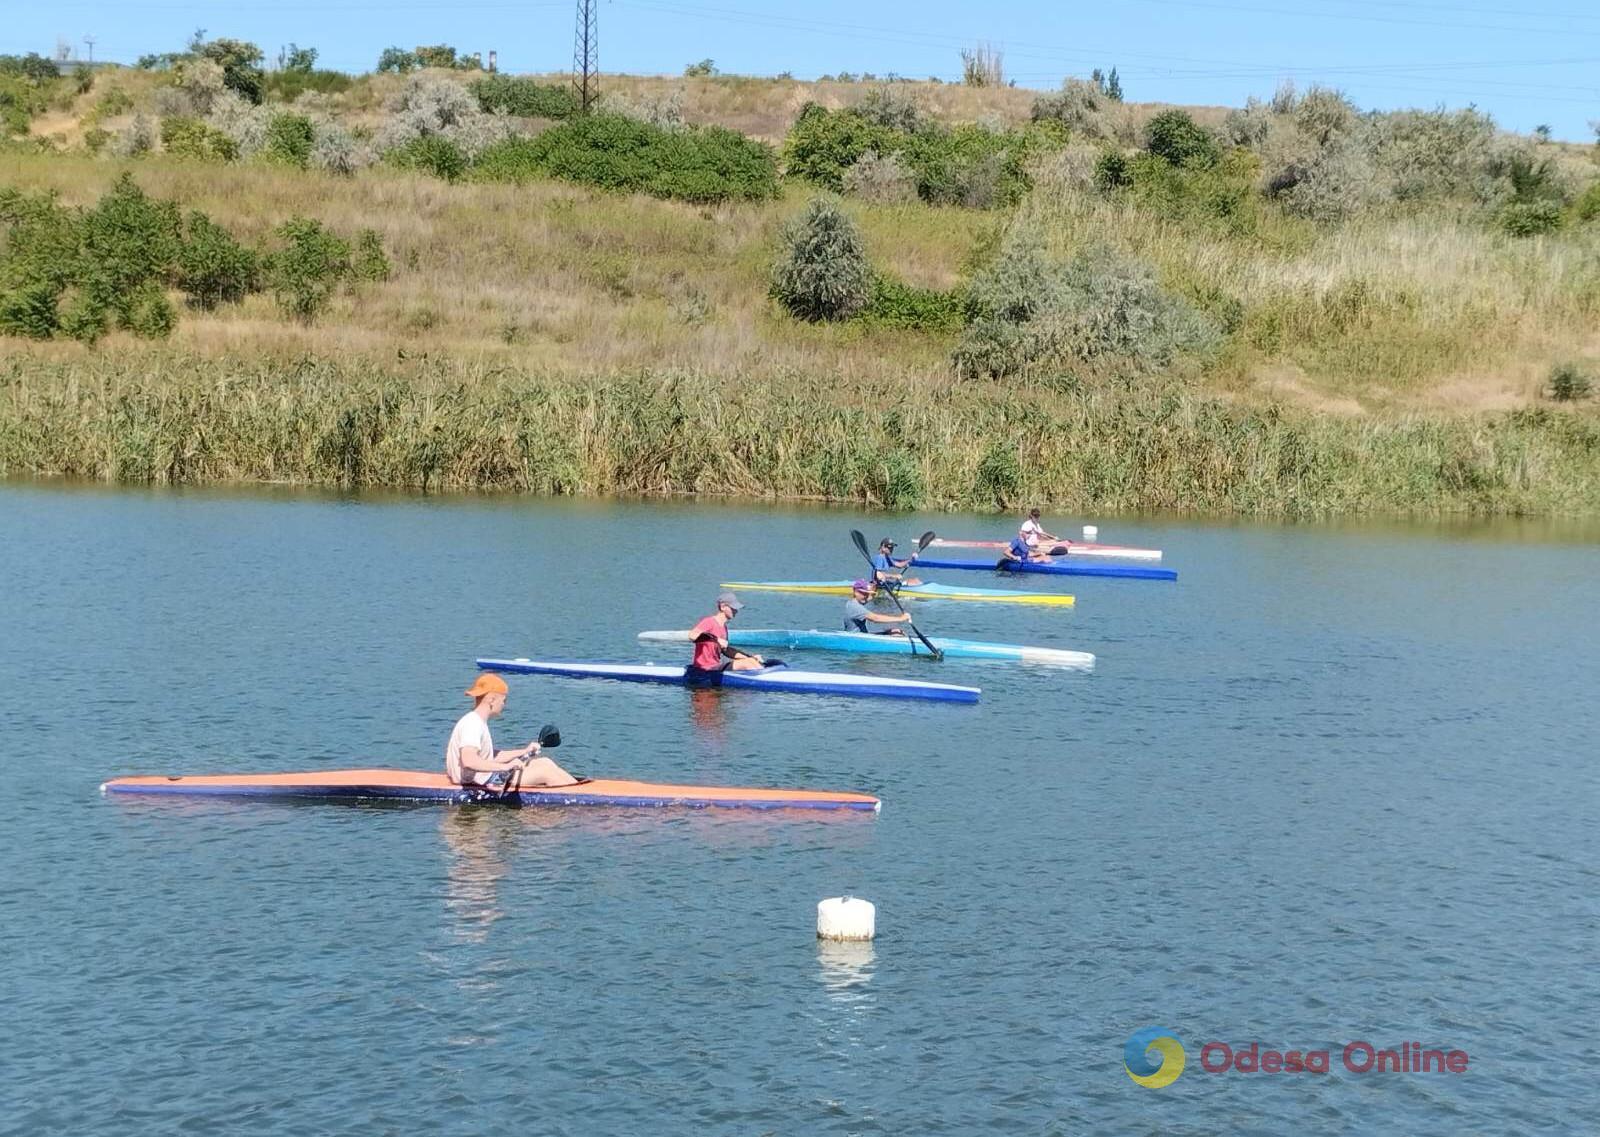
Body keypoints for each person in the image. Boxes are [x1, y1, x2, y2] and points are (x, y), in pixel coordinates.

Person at [446, 673, 577, 789]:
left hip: (484, 776)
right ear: (492, 700)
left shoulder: (477, 721)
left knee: (545, 762)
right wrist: (506, 767)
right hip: (478, 781)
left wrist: (524, 751)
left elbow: (491, 756)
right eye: (504, 700)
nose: (504, 704)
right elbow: (469, 761)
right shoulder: (472, 724)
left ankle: (579, 788)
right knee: (545, 772)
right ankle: (581, 802)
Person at [687, 591, 767, 680]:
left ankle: (764, 678)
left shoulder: (724, 627)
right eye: (733, 608)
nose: (736, 611)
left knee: (751, 661)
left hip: (715, 667)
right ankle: (766, 682)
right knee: (747, 664)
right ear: (723, 607)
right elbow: (692, 635)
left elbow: (727, 651)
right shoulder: (709, 621)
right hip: (704, 670)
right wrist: (716, 639)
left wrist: (751, 657)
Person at [843, 579, 911, 635]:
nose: (865, 596)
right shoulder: (855, 607)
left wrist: (875, 587)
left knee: (896, 631)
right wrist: (901, 618)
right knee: (896, 634)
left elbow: (869, 598)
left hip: (863, 636)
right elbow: (875, 618)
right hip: (856, 639)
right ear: (855, 591)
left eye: (867, 594)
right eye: (863, 593)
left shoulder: (853, 603)